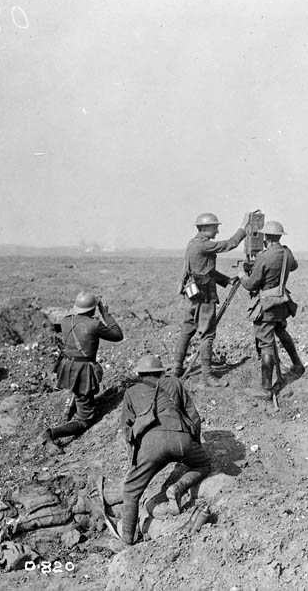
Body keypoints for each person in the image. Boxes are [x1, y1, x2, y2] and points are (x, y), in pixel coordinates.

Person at [118, 355, 210, 545]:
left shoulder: (132, 392)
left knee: (131, 492)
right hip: (181, 437)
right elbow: (194, 417)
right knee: (202, 464)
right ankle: (178, 487)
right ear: (161, 371)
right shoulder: (174, 383)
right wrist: (194, 445)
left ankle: (127, 541)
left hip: (152, 446)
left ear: (140, 374)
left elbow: (128, 431)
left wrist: (134, 461)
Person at [38, 291, 124, 455]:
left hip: (68, 368)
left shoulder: (65, 321)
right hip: (83, 371)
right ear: (93, 310)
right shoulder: (94, 324)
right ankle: (51, 433)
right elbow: (118, 335)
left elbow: (55, 327)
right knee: (85, 420)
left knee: (80, 394)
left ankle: (74, 404)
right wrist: (105, 313)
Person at [173, 212, 249, 387]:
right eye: (215, 227)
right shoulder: (204, 245)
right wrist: (243, 227)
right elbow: (230, 244)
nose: (217, 230)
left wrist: (226, 280)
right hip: (204, 295)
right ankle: (207, 376)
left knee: (187, 330)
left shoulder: (193, 244)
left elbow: (206, 270)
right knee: (207, 334)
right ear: (205, 228)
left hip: (192, 294)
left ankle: (177, 368)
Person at [237, 220, 305, 400]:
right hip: (281, 304)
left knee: (266, 344)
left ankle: (266, 389)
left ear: (266, 237)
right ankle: (298, 365)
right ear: (280, 236)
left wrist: (242, 274)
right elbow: (294, 266)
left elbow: (251, 284)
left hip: (267, 305)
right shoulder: (287, 253)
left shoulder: (264, 256)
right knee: (281, 331)